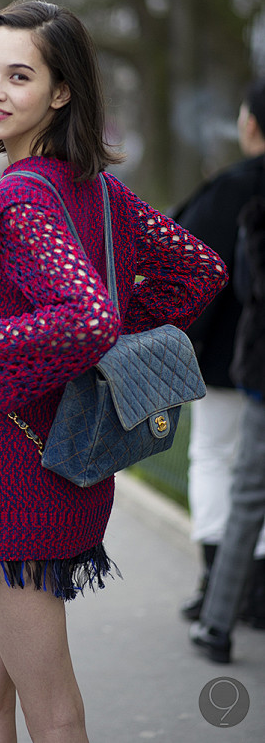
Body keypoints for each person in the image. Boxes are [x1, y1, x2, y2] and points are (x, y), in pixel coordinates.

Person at [0, 0, 227, 743]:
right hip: (61, 460)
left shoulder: (25, 192)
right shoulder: (93, 187)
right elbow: (199, 271)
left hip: (17, 472)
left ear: (61, 92)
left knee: (53, 707)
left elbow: (86, 316)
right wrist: (115, 341)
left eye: (19, 76)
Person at [174, 79, 265, 624]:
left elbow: (189, 275)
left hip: (233, 361)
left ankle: (219, 581)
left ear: (249, 124)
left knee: (215, 458)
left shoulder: (229, 190)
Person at [190, 194, 265, 662]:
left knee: (247, 495)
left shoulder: (249, 206)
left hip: (261, 375)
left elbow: (243, 287)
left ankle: (217, 624)